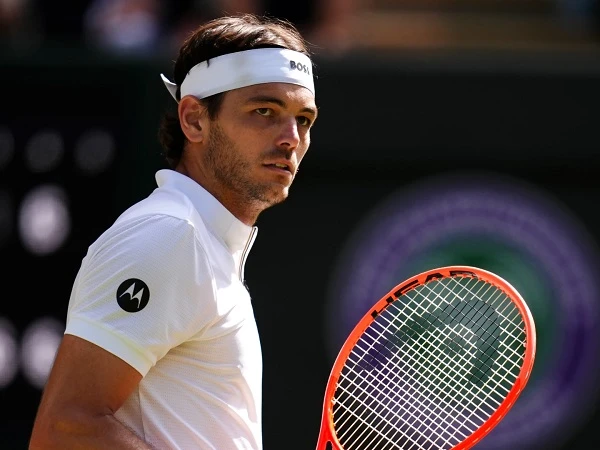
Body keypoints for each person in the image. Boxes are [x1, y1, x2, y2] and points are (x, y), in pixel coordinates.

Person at [29, 13, 317, 450]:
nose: (291, 138)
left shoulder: (200, 241)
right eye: (264, 111)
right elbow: (65, 429)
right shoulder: (170, 235)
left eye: (304, 119)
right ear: (194, 119)